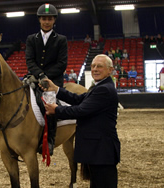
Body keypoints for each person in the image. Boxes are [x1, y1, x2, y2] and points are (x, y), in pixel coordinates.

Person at [39, 54, 120, 188]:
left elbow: (80, 110)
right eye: (93, 66)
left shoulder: (104, 90)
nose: (95, 69)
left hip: (102, 150)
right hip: (98, 150)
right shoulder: (98, 87)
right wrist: (57, 89)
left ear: (110, 70)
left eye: (99, 66)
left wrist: (57, 110)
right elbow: (78, 99)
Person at [25, 3, 68, 155]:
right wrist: (40, 76)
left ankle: (49, 140)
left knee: (49, 106)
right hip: (36, 79)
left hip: (53, 82)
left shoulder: (61, 40)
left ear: (54, 20)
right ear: (39, 20)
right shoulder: (31, 39)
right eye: (44, 19)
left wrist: (47, 79)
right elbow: (30, 61)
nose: (46, 22)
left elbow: (62, 64)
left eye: (49, 19)